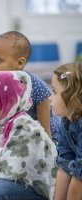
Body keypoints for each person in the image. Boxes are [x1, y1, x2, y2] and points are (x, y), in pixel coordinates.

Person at [0, 71, 57, 199]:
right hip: (7, 178)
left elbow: (11, 170)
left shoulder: (26, 128)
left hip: (33, 187)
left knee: (1, 188)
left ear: (7, 101)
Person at [0, 30, 60, 143]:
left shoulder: (38, 87)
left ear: (19, 63)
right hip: (15, 140)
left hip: (41, 141)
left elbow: (46, 132)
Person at [50, 62, 82, 200]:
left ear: (72, 96)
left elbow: (79, 176)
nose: (50, 98)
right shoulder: (67, 120)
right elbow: (64, 165)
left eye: (54, 92)